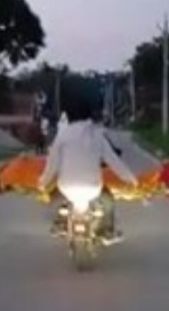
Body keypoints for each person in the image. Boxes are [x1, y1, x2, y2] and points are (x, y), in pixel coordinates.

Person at [39, 98, 138, 243]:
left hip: (67, 187)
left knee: (54, 198)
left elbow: (52, 164)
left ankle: (59, 224)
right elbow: (114, 161)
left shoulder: (63, 135)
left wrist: (43, 182)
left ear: (69, 116)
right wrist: (130, 179)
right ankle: (107, 231)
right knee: (108, 200)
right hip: (92, 188)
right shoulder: (97, 135)